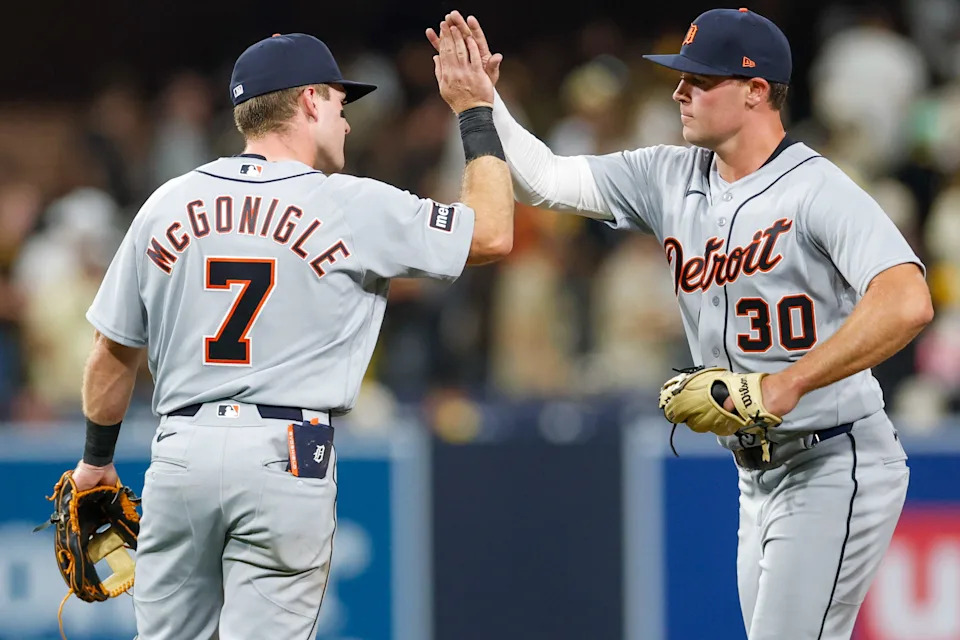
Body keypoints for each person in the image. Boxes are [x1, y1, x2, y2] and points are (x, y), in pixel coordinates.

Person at [429, 9, 933, 640]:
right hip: (759, 473)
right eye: (680, 77)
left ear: (755, 91)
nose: (678, 91)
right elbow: (548, 178)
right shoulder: (669, 175)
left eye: (700, 79)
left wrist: (788, 384)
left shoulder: (816, 188)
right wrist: (481, 104)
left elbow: (907, 299)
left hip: (834, 456)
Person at [69, 27, 512, 639]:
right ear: (308, 101)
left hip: (180, 453)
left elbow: (112, 353)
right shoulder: (350, 203)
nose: (347, 122)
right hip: (286, 453)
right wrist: (475, 112)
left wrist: (96, 461)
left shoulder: (167, 202)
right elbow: (491, 232)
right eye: (338, 103)